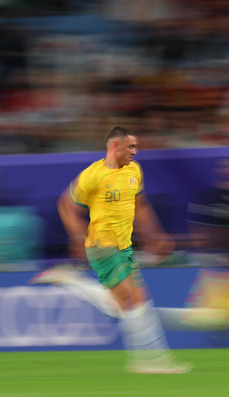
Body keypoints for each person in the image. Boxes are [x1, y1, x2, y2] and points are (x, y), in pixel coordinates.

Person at [55, 126, 190, 374]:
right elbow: (65, 204)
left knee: (121, 306)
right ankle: (152, 361)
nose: (135, 152)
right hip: (102, 247)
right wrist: (77, 236)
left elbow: (142, 207)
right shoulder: (92, 175)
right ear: (115, 146)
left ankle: (72, 281)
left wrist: (155, 236)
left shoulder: (134, 171)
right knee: (137, 300)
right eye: (131, 147)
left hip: (124, 247)